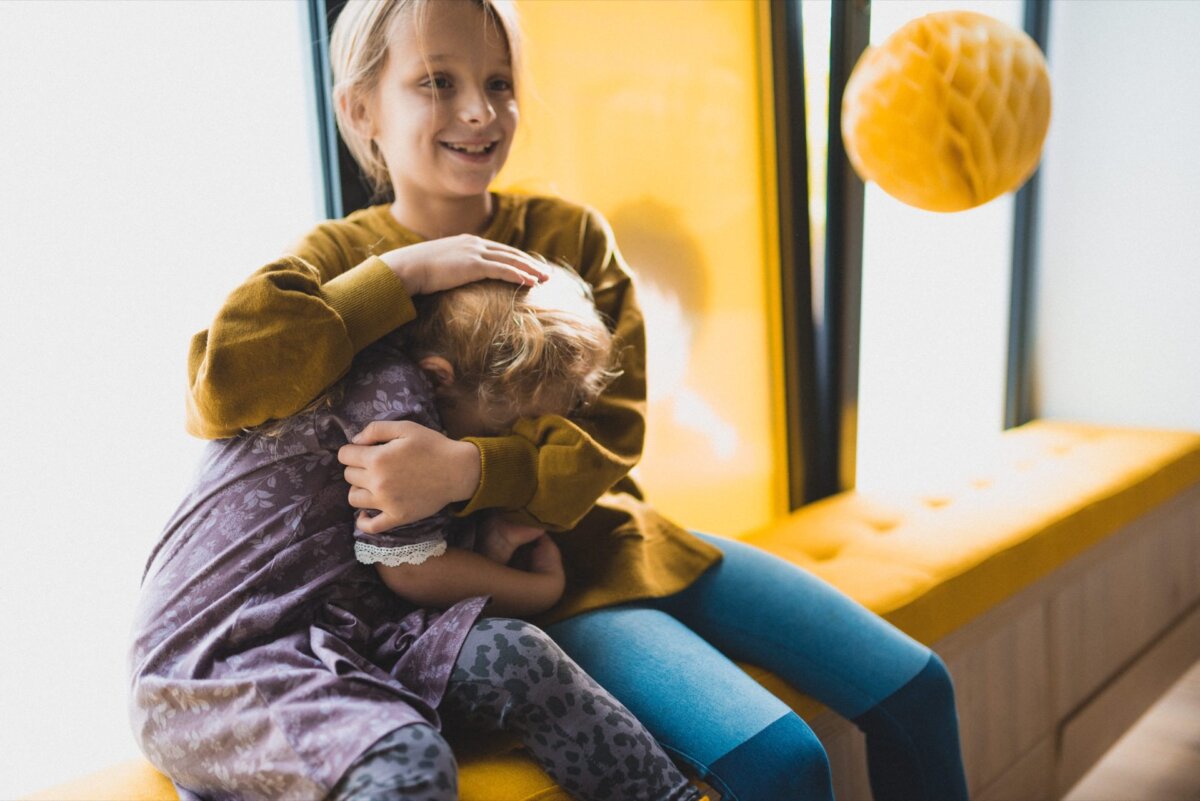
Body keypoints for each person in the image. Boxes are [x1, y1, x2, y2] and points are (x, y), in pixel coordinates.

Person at [181, 0, 971, 798]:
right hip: (545, 593)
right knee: (787, 763)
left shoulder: (569, 234)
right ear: (360, 109)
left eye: (499, 81)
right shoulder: (338, 257)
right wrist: (406, 275)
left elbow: (613, 429)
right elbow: (219, 384)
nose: (480, 111)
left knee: (919, 687)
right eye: (437, 82)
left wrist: (466, 471)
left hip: (640, 538)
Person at [129, 267, 707, 801]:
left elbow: (391, 552)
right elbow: (412, 571)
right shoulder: (393, 399)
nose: (514, 442)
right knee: (409, 761)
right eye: (508, 425)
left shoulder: (423, 394)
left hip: (344, 632)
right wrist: (538, 592)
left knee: (516, 656)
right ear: (439, 378)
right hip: (220, 664)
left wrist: (487, 546)